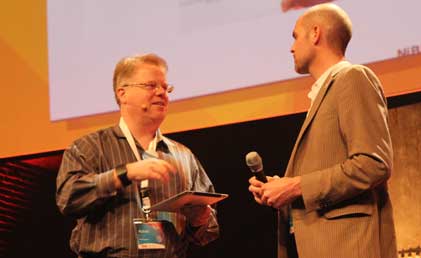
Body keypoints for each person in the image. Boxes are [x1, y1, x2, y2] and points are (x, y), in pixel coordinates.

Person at [248, 3, 398, 258]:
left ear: (315, 34)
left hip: (349, 247)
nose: (291, 47)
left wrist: (296, 187)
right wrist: (281, 188)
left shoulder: (354, 78)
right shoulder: (325, 94)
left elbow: (374, 164)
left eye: (295, 37)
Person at [56, 53, 219, 258]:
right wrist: (124, 173)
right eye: (151, 86)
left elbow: (209, 232)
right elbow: (68, 198)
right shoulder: (90, 147)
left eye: (165, 88)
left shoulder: (183, 156)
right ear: (122, 93)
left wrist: (201, 219)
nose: (162, 93)